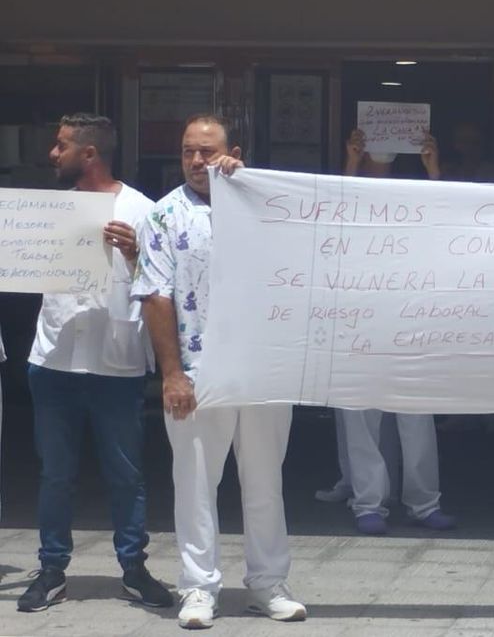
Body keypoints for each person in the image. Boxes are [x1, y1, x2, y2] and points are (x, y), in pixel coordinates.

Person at [135, 114, 306, 629]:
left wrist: (247, 185)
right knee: (194, 484)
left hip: (263, 371)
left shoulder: (267, 206)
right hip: (196, 372)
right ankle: (198, 587)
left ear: (233, 151)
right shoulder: (163, 216)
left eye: (208, 152)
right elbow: (155, 294)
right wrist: (171, 373)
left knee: (263, 481)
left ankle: (268, 584)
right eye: (189, 151)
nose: (197, 162)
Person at [17, 113, 172, 613]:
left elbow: (164, 285)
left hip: (115, 363)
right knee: (55, 473)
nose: (52, 154)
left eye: (61, 145)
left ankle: (133, 569)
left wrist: (133, 256)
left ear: (89, 154)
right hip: (55, 358)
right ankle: (53, 569)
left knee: (126, 474)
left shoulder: (143, 211)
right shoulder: (43, 211)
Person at [324, 127, 457, 535]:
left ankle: (423, 502)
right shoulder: (344, 199)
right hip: (356, 322)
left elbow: (445, 224)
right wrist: (350, 164)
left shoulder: (412, 198)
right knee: (360, 418)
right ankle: (368, 503)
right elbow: (333, 224)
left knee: (415, 418)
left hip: (409, 321)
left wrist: (433, 172)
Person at [421, 120, 494, 182]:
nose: (469, 147)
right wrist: (433, 171)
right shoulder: (446, 172)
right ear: (454, 144)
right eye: (464, 141)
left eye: (475, 142)